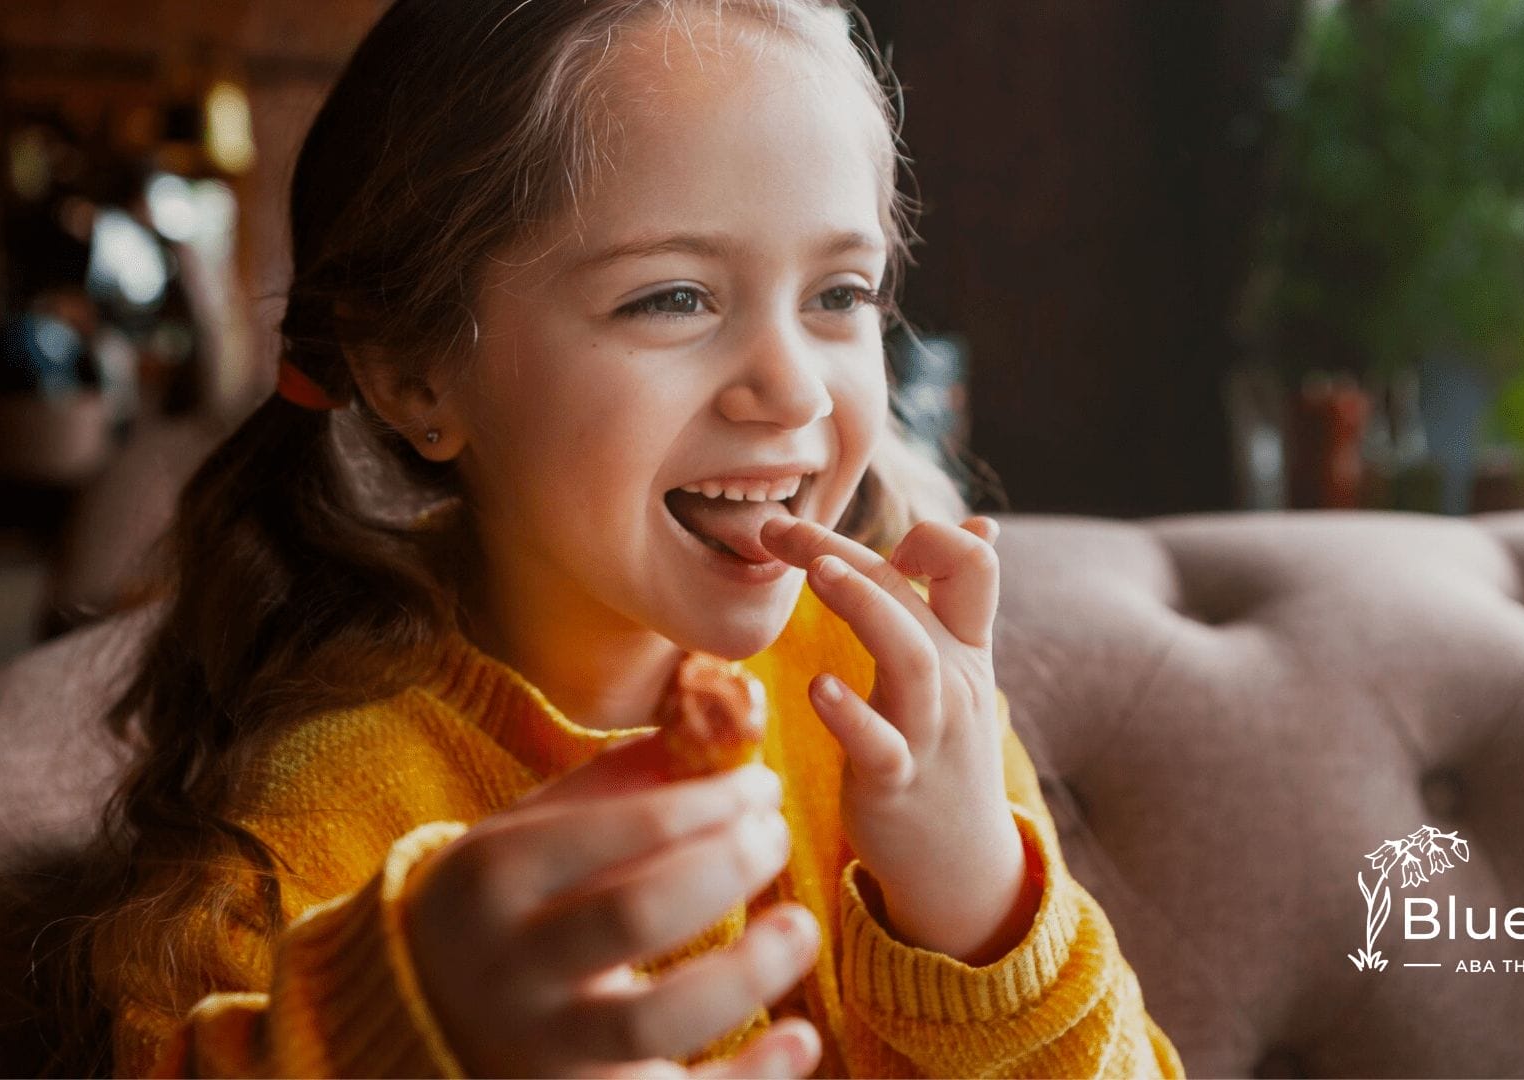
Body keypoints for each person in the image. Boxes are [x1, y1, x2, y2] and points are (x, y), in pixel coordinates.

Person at [66, 1, 1185, 1076]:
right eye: (672, 299)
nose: (796, 388)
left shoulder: (897, 704)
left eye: (841, 293)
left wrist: (980, 907)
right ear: (414, 375)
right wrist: (396, 1039)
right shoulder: (308, 841)